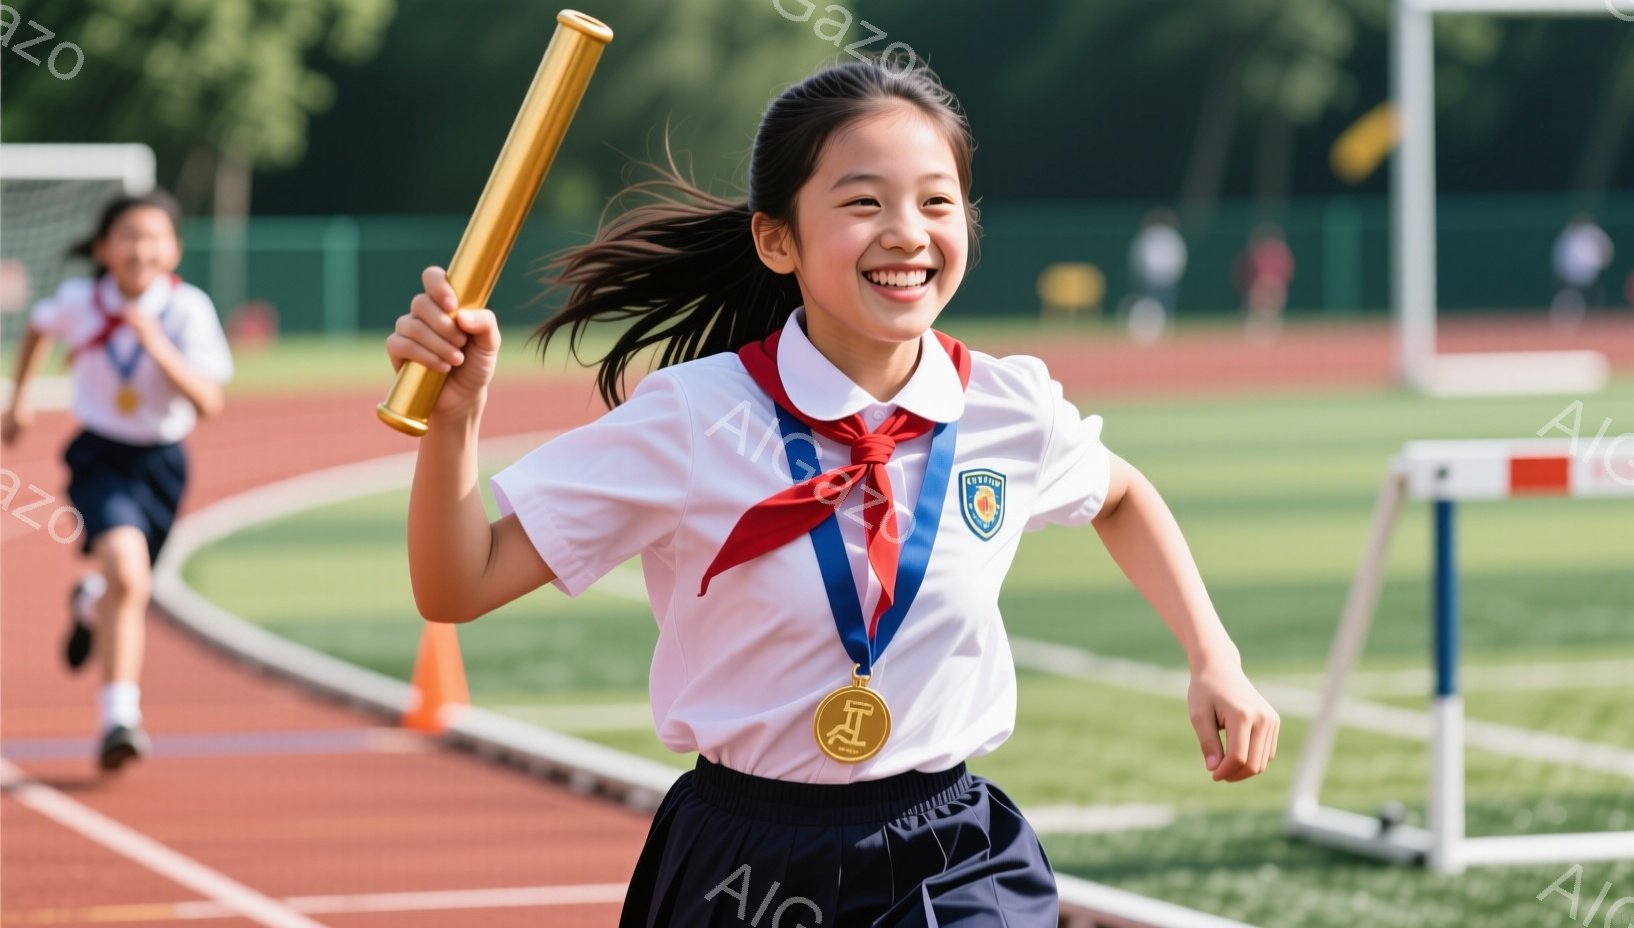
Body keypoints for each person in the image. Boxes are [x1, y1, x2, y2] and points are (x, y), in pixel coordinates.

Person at [386, 61, 1278, 926]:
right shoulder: (695, 419)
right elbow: (458, 584)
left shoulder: (1010, 409)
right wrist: (456, 417)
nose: (906, 232)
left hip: (956, 848)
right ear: (778, 239)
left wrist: (1214, 656)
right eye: (863, 203)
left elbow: (1120, 496)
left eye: (936, 201)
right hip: (747, 861)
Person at [1, 190, 233, 773]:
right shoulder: (82, 300)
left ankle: (89, 605)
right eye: (128, 235)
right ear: (104, 247)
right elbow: (37, 327)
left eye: (155, 236)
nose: (141, 248)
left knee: (129, 586)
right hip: (100, 459)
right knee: (130, 573)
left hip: (162, 464)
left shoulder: (188, 310)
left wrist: (155, 342)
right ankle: (119, 720)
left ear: (175, 248)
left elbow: (208, 400)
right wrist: (19, 400)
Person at [1125, 208, 1187, 344]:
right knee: (1149, 305)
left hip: (1166, 277)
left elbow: (1178, 256)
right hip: (1153, 278)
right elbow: (1141, 256)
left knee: (1165, 305)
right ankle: (1147, 330)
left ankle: (1164, 330)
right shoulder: (1150, 236)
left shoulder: (1170, 236)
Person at [1550, 213, 1613, 330]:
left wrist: (1602, 262)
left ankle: (1593, 323)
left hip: (1591, 275)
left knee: (1593, 300)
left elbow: (1605, 248)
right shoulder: (1569, 235)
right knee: (1571, 298)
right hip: (1572, 276)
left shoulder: (1593, 233)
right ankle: (1566, 321)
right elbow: (1561, 255)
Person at [1235, 223, 1294, 343]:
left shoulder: (1281, 252)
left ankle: (1270, 326)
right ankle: (1256, 326)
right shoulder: (1255, 252)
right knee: (1259, 298)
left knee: (1271, 297)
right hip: (1260, 285)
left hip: (1274, 284)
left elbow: (1286, 271)